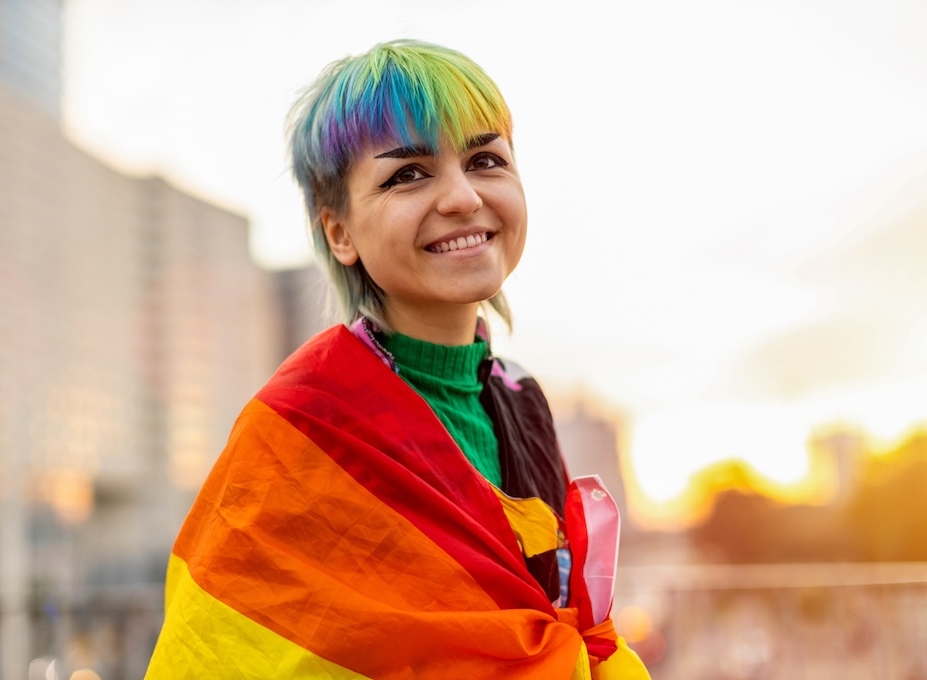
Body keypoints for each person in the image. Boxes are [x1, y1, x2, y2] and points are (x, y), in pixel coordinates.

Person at [145, 40, 650, 679]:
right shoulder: (303, 424)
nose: (464, 197)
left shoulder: (522, 399)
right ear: (339, 232)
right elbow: (226, 655)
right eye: (408, 174)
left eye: (486, 159)